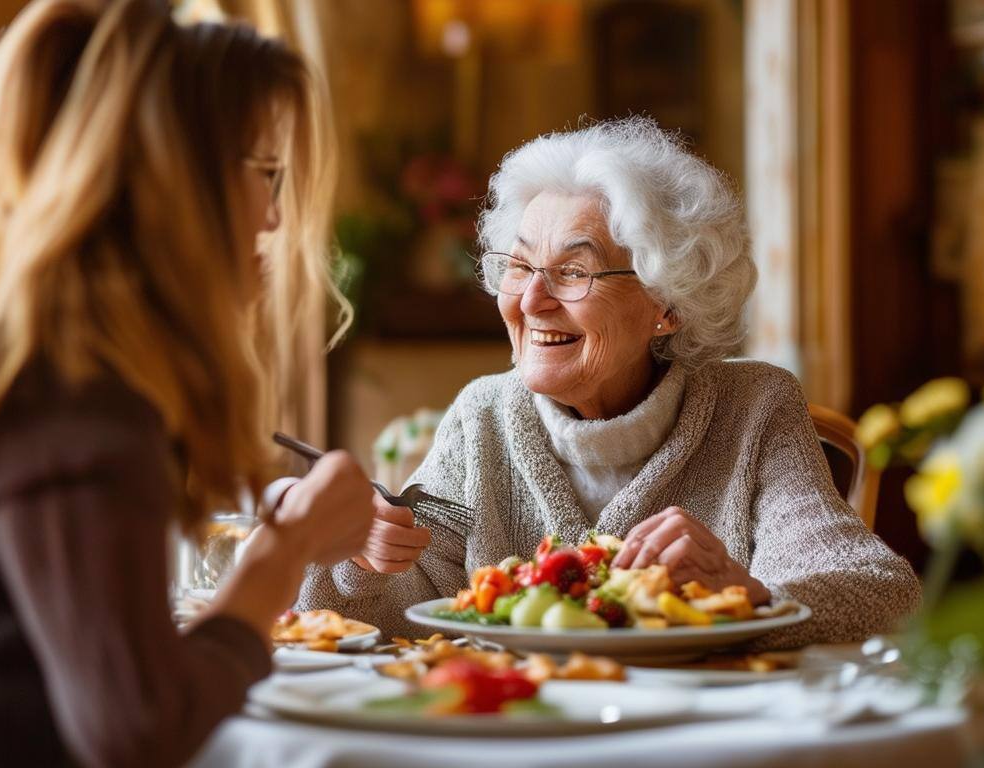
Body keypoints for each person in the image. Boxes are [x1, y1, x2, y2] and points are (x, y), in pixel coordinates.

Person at [0, 1, 372, 765]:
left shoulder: (10, 333)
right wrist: (283, 556)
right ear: (177, 180)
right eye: (264, 172)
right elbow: (137, 728)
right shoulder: (65, 376)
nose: (277, 217)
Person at [298, 118, 921, 646]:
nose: (532, 299)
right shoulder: (484, 416)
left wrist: (744, 591)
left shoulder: (752, 408)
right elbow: (394, 617)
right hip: (520, 737)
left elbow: (880, 596)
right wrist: (363, 557)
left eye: (575, 271)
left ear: (667, 304)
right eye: (519, 265)